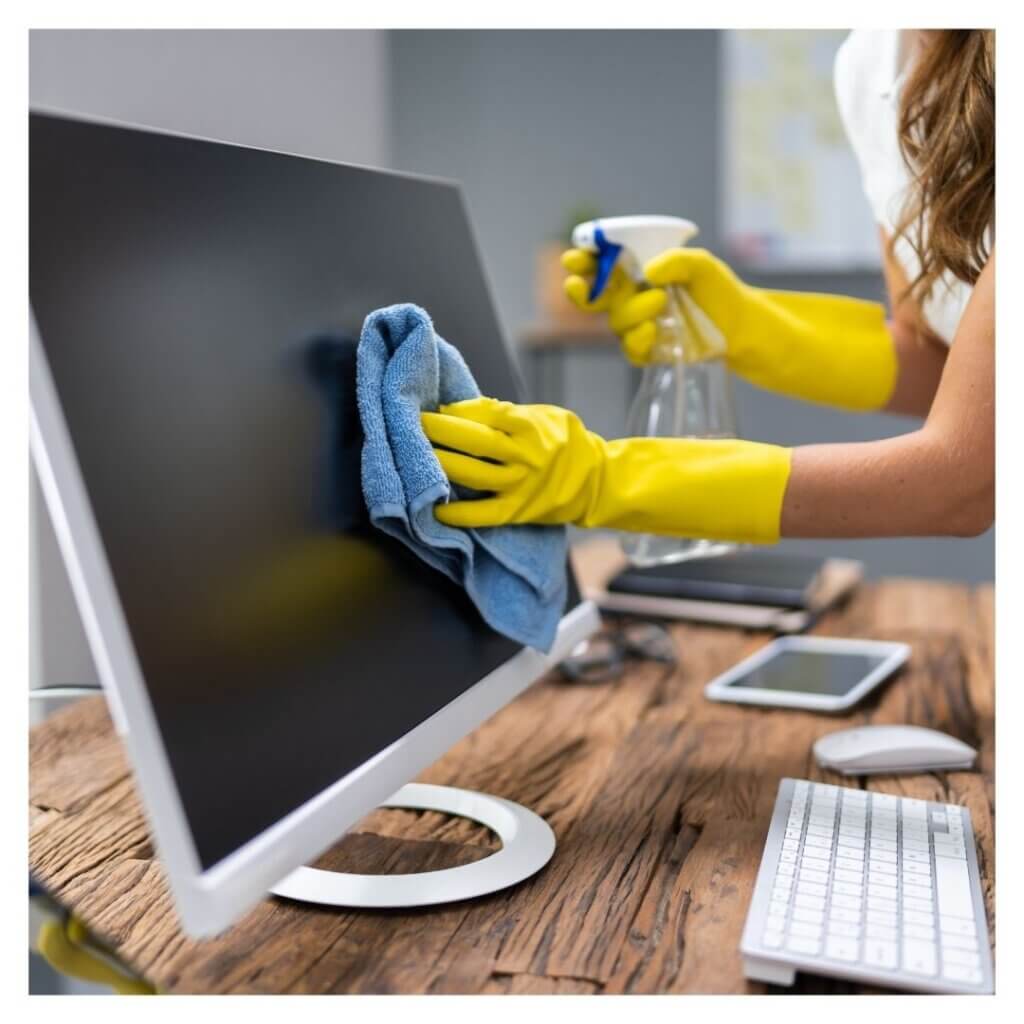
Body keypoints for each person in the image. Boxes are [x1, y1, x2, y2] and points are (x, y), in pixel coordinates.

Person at [422, 29, 994, 547]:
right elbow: (939, 363)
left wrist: (599, 481)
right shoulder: (872, 67)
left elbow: (963, 481)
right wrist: (744, 324)